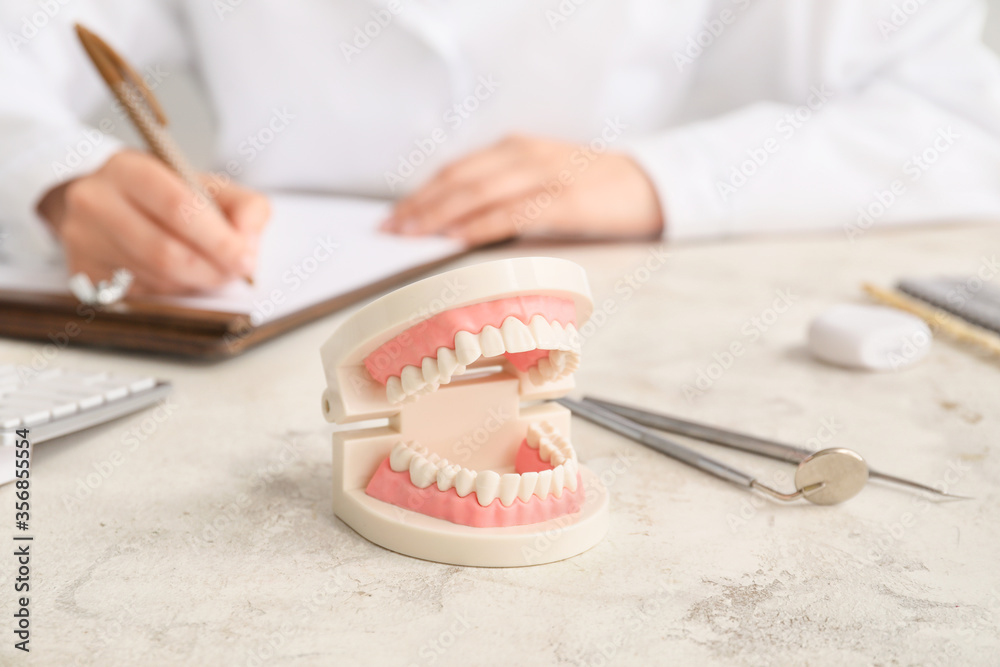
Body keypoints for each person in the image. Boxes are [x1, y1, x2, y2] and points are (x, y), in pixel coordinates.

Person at [2, 0, 1000, 294]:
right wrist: (57, 177)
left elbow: (965, 116)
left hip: (613, 305)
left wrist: (661, 178)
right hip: (244, 298)